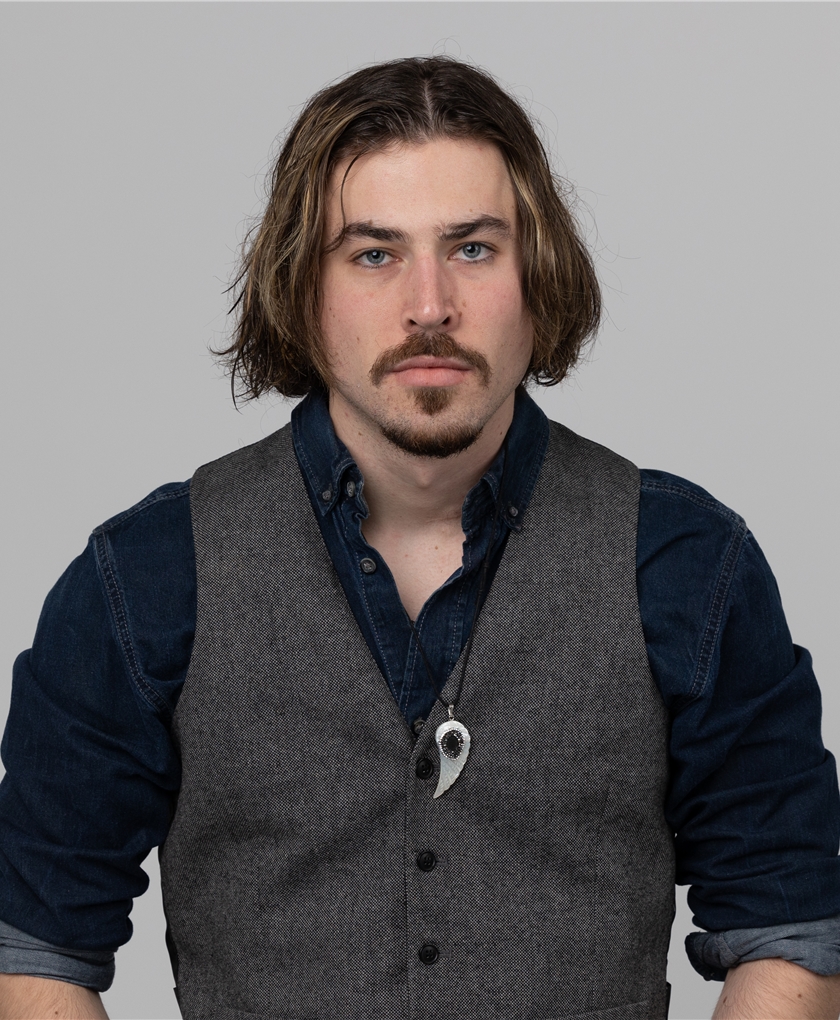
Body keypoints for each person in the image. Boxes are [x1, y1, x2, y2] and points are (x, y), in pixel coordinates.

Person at [1, 55, 839, 1020]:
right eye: (374, 254)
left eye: (473, 248)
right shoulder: (145, 579)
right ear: (303, 288)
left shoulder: (687, 565)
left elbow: (793, 933)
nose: (430, 305)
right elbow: (35, 948)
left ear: (538, 275)